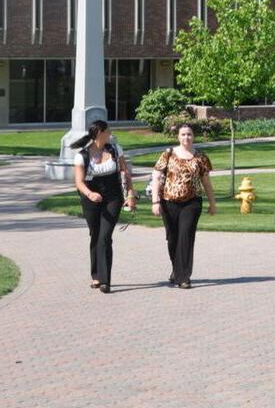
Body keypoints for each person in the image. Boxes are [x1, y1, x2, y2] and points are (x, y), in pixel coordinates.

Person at [72, 119, 135, 293]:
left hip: (113, 197)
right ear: (100, 133)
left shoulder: (115, 150)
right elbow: (78, 182)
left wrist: (130, 195)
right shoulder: (82, 155)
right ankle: (96, 276)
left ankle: (105, 280)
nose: (111, 134)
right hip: (91, 199)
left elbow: (125, 173)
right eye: (108, 131)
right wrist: (90, 194)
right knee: (95, 235)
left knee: (105, 236)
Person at [150, 124, 216, 289]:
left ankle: (184, 277)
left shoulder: (201, 157)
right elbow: (157, 178)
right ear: (178, 137)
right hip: (169, 202)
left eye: (189, 134)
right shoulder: (168, 154)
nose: (186, 137)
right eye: (183, 134)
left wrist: (212, 203)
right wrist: (155, 201)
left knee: (186, 236)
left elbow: (206, 182)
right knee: (173, 239)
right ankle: (176, 269)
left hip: (192, 202)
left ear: (194, 137)